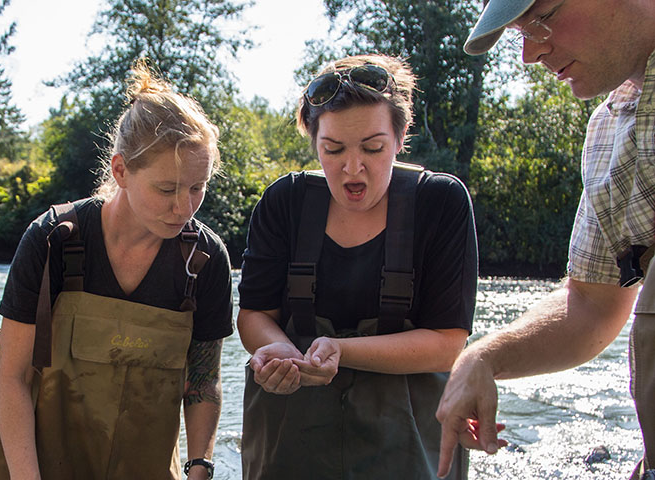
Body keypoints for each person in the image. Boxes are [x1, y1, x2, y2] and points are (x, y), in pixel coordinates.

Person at [436, 1, 655, 478]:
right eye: (520, 30)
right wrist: (484, 356)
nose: (529, 54)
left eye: (544, 17)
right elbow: (592, 305)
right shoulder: (608, 131)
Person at [238, 54, 478, 479]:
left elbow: (446, 343)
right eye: (333, 149)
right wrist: (277, 352)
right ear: (314, 142)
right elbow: (255, 315)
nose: (353, 168)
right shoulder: (283, 203)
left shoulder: (442, 202)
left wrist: (340, 351)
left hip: (407, 444)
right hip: (293, 438)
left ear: (401, 137)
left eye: (373, 147)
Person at [0, 61, 233, 480]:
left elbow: (204, 380)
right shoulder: (53, 241)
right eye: (167, 189)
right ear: (120, 171)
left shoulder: (206, 260)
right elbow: (12, 378)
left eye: (198, 187)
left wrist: (199, 469)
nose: (184, 207)